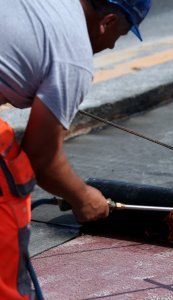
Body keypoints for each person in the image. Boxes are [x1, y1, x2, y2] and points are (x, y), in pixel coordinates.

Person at [0, 0, 152, 299]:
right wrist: (84, 198)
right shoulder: (74, 56)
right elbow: (42, 159)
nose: (110, 48)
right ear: (107, 21)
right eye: (118, 37)